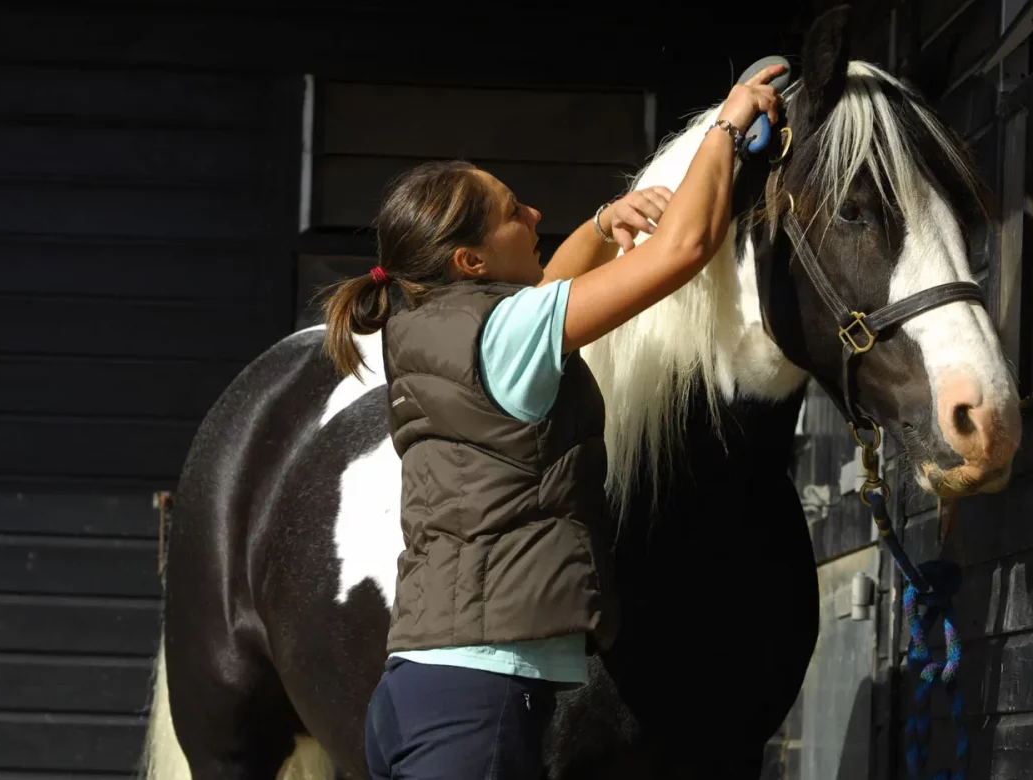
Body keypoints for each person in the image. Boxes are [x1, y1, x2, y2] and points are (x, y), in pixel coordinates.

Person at [320, 63, 785, 780]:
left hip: (417, 689)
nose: (535, 216)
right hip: (477, 703)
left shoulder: (431, 328)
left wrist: (603, 224)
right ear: (471, 260)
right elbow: (683, 250)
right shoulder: (503, 334)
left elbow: (549, 291)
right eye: (514, 212)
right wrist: (726, 125)